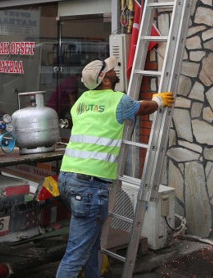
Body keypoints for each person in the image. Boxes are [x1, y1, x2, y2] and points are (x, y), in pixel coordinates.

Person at [55, 56, 174, 278]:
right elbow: (143, 108)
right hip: (89, 187)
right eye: (110, 70)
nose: (114, 70)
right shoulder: (118, 101)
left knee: (91, 243)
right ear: (106, 80)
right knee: (75, 255)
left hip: (67, 179)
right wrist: (158, 101)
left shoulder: (81, 102)